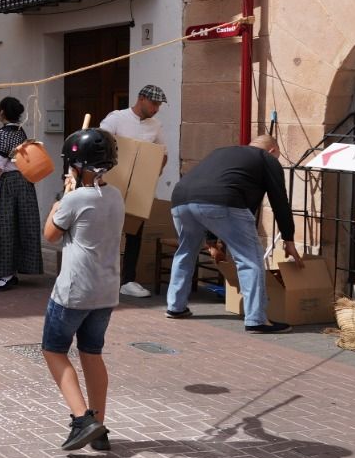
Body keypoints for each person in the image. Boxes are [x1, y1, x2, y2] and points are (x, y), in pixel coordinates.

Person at [41, 127, 125, 451]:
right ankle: (99, 425)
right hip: (105, 292)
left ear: (78, 164)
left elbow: (50, 234)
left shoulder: (74, 199)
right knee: (92, 354)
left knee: (54, 349)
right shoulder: (116, 195)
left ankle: (81, 419)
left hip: (74, 291)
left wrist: (61, 199)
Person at [165, 135, 300, 333]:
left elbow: (212, 192)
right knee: (250, 259)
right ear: (272, 151)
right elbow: (279, 200)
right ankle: (256, 319)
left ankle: (175, 307)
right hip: (223, 201)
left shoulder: (222, 152)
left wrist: (212, 242)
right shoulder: (266, 158)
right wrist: (288, 238)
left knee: (185, 251)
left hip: (181, 198)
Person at [100, 84, 169, 299]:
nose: (157, 108)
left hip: (139, 189)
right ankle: (101, 277)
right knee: (106, 231)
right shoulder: (116, 118)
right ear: (141, 99)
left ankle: (128, 279)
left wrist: (152, 174)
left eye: (159, 105)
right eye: (154, 103)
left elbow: (162, 154)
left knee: (134, 233)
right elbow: (100, 143)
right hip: (113, 184)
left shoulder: (155, 125)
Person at [0, 96, 43, 291]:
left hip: (7, 184)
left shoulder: (2, 134)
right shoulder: (21, 132)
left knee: (3, 227)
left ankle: (6, 274)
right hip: (24, 184)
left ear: (2, 113)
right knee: (18, 227)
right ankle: (10, 273)